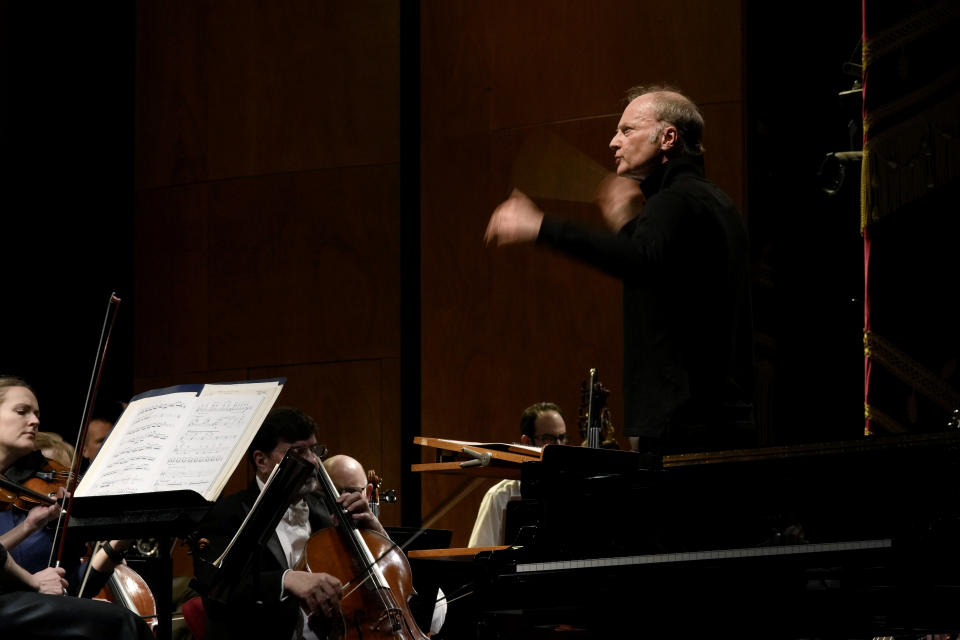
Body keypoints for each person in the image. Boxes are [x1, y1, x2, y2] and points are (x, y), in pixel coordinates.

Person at [484, 85, 755, 462]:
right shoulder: (714, 202)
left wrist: (539, 226)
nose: (614, 142)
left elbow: (639, 260)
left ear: (668, 137)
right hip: (718, 418)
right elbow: (662, 279)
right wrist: (629, 225)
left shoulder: (674, 200)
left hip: (684, 427)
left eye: (627, 130)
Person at [193, 406, 385, 640]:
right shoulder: (228, 513)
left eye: (314, 450)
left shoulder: (326, 508)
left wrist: (373, 529)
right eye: (297, 453)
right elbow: (216, 591)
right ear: (261, 460)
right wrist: (286, 580)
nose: (313, 462)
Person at [0, 377, 153, 639]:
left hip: (26, 608)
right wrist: (33, 582)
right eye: (21, 411)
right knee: (122, 623)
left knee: (116, 621)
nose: (35, 421)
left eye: (37, 413)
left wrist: (114, 546)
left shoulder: (29, 500)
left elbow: (73, 587)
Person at [467, 402, 566, 547]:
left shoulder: (572, 491)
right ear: (526, 442)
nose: (558, 446)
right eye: (548, 439)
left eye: (562, 437)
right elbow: (479, 555)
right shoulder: (500, 497)